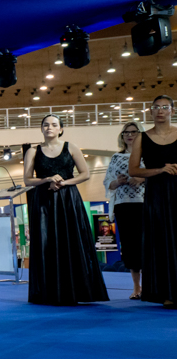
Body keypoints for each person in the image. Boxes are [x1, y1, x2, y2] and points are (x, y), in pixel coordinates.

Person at [23, 114, 108, 306]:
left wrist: (62, 182)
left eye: (54, 125)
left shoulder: (71, 147)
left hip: (69, 199)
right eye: (45, 125)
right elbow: (28, 180)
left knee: (72, 240)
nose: (49, 128)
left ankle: (77, 290)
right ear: (41, 129)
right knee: (46, 244)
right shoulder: (33, 151)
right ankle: (48, 291)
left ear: (61, 129)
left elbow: (85, 174)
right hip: (44, 201)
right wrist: (47, 180)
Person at [128, 95, 177, 309]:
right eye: (156, 107)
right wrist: (160, 170)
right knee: (162, 241)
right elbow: (133, 170)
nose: (160, 111)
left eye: (165, 107)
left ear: (172, 111)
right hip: (156, 194)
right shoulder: (142, 138)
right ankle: (167, 292)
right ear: (150, 111)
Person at [105, 122, 145, 300]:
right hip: (123, 205)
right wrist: (118, 182)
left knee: (149, 245)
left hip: (145, 204)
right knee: (130, 247)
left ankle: (153, 286)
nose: (129, 135)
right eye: (126, 133)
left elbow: (161, 176)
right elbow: (108, 183)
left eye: (133, 132)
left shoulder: (149, 155)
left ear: (140, 134)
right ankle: (136, 287)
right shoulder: (116, 157)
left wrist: (141, 178)